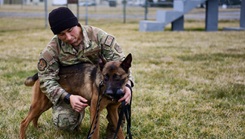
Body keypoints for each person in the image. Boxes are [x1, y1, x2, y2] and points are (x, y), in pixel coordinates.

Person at [37, 7, 134, 138]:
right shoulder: (52, 50)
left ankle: (114, 129)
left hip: (104, 83)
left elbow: (122, 65)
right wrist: (68, 97)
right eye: (61, 34)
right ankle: (77, 116)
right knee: (64, 121)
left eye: (70, 30)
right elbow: (45, 79)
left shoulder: (100, 37)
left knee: (121, 92)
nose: (69, 37)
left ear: (77, 24)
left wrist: (128, 86)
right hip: (72, 88)